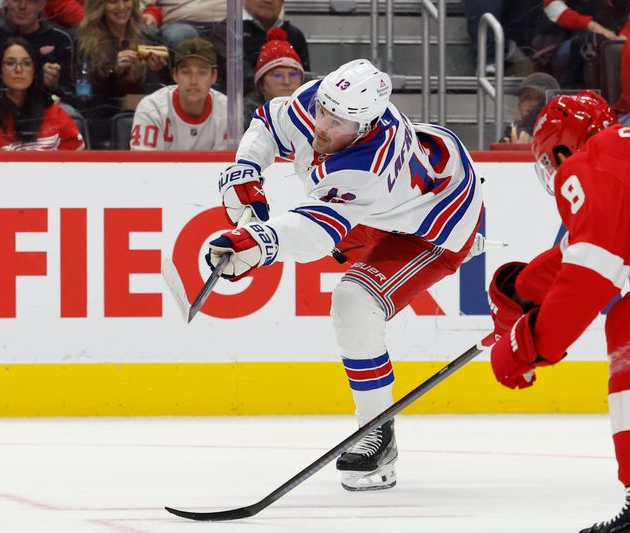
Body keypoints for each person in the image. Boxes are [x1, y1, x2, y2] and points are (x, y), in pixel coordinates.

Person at [206, 59, 483, 491]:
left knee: (354, 303)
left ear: (367, 125)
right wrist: (246, 171)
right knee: (342, 258)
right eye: (323, 112)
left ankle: (377, 430)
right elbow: (267, 124)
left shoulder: (370, 163)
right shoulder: (323, 101)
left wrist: (258, 244)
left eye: (338, 123)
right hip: (382, 210)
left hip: (435, 222)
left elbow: (317, 231)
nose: (323, 127)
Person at [486, 91, 630, 533]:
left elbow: (591, 275)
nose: (556, 170)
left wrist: (526, 345)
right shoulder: (619, 154)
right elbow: (581, 254)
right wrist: (521, 290)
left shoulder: (591, 163)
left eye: (551, 159)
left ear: (564, 149)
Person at [76, 0, 167, 146]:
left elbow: (164, 90)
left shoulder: (148, 36)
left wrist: (158, 71)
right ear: (100, 7)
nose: (122, 7)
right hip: (104, 118)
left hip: (145, 113)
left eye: (126, 0)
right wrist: (113, 70)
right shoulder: (85, 42)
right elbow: (85, 96)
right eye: (113, 2)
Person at [0, 37, 84, 150]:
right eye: (10, 63)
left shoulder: (56, 114)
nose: (18, 69)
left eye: (26, 63)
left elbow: (78, 164)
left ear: (35, 71)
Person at [130, 37, 227, 150]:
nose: (193, 81)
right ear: (175, 75)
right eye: (186, 72)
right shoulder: (152, 108)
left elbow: (230, 165)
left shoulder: (227, 110)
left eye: (202, 72)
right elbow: (143, 165)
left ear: (214, 76)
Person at [0, 0, 74, 98]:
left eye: (31, 1)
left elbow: (69, 93)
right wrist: (35, 79)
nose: (22, 6)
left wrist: (54, 86)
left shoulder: (60, 38)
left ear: (42, 4)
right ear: (6, 1)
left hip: (46, 108)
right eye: (16, 0)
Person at [241, 0, 308, 94]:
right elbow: (241, 79)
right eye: (277, 75)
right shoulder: (229, 31)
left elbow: (305, 81)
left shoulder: (295, 35)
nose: (268, 1)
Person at [243, 27, 303, 128]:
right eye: (277, 75)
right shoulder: (245, 116)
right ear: (261, 83)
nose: (286, 82)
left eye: (293, 75)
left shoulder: (315, 111)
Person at [500, 71, 559, 143]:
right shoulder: (509, 137)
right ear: (519, 104)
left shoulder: (565, 136)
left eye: (540, 99)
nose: (532, 103)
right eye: (526, 98)